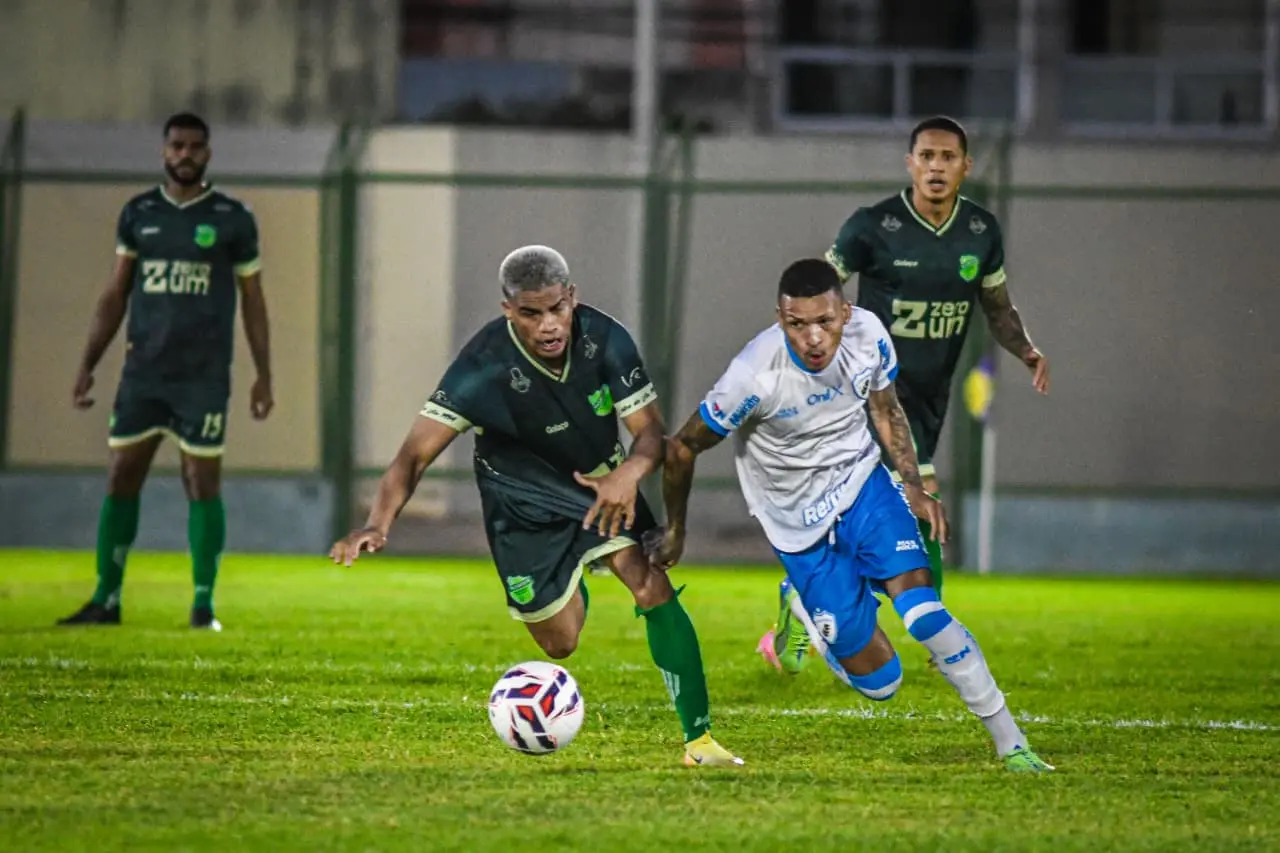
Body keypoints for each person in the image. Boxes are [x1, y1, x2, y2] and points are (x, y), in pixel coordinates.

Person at [329, 245, 742, 768]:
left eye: (557, 308)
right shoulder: (481, 367)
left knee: (651, 585)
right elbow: (414, 456)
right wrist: (376, 523)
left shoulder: (605, 339)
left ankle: (699, 741)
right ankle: (573, 571)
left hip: (599, 485)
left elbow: (650, 432)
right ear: (508, 309)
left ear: (572, 297)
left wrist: (628, 476)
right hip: (518, 502)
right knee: (560, 643)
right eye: (531, 313)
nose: (548, 325)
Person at [653, 258, 1053, 772]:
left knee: (924, 613)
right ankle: (804, 604)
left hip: (862, 484)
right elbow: (682, 447)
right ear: (780, 319)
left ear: (846, 311)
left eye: (825, 321)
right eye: (797, 324)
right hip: (796, 524)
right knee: (883, 684)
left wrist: (913, 486)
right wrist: (676, 530)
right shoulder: (752, 376)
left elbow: (885, 409)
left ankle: (1012, 744)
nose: (813, 338)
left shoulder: (868, 335)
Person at [760, 115, 1051, 674]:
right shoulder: (873, 227)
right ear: (910, 164)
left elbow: (996, 305)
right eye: (927, 156)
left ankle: (800, 602)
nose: (936, 167)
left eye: (948, 157)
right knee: (920, 495)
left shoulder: (981, 232)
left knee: (874, 515)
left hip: (930, 396)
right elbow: (819, 288)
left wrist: (1027, 350)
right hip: (869, 392)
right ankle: (938, 638)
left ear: (966, 166)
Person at [58, 112, 274, 631]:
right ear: (164, 151)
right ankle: (106, 599)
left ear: (208, 154)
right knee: (121, 475)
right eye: (177, 145)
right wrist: (88, 364)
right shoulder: (140, 214)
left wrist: (264, 374)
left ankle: (203, 605)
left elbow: (253, 300)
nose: (185, 154)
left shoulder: (232, 218)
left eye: (195, 146)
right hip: (143, 374)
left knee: (201, 482)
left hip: (202, 377)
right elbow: (116, 293)